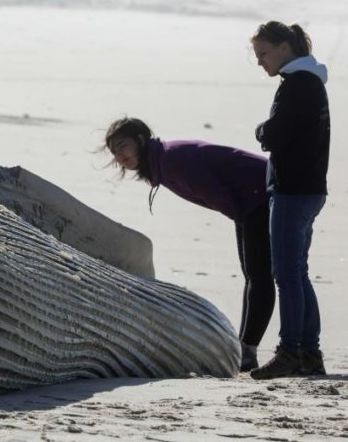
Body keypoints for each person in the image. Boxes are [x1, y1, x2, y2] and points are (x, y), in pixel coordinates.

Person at [104, 118, 274, 372]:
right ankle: (246, 351)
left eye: (122, 146)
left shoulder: (170, 160)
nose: (119, 157)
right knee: (253, 275)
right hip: (252, 198)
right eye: (114, 152)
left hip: (263, 192)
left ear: (140, 140)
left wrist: (250, 223)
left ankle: (248, 351)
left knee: (259, 276)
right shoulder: (163, 161)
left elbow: (218, 194)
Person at [249, 21, 331, 380]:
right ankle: (309, 353)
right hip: (311, 189)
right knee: (297, 272)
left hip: (293, 191)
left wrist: (260, 130)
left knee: (286, 274)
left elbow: (275, 135)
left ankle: (290, 351)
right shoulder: (311, 83)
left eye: (263, 53)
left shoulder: (296, 85)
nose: (260, 61)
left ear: (285, 47)